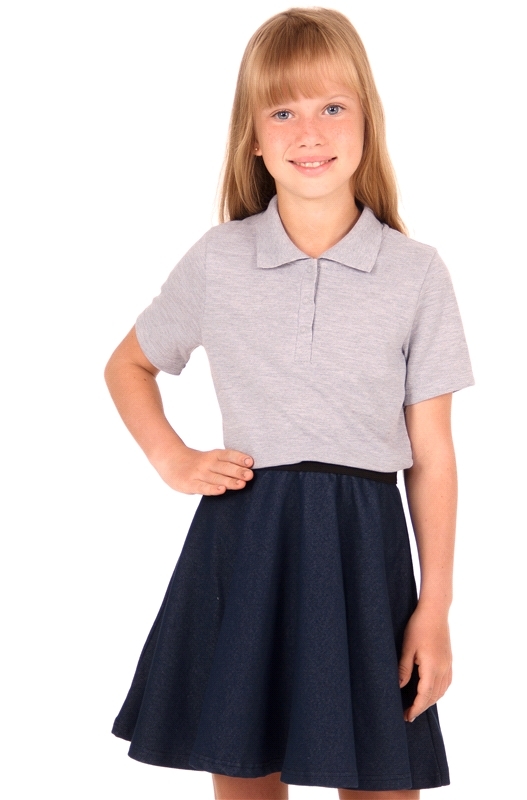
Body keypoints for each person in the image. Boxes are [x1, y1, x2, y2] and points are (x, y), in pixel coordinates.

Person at [105, 7, 474, 800]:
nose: (309, 133)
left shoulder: (415, 273)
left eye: (332, 107)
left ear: (367, 122)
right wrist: (173, 457)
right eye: (282, 112)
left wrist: (434, 605)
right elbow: (129, 365)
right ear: (252, 136)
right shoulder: (220, 259)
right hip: (245, 546)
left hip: (363, 555)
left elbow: (433, 455)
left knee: (381, 776)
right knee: (245, 770)